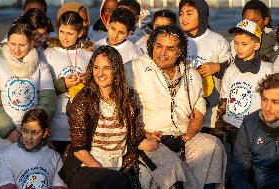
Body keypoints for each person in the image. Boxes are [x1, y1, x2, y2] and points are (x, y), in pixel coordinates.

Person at [125, 25, 226, 189]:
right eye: (159, 46)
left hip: (183, 138)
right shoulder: (134, 68)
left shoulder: (191, 74)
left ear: (180, 51)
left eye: (170, 48)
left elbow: (199, 103)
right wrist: (141, 133)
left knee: (213, 145)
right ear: (152, 46)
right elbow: (117, 99)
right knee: (170, 165)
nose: (162, 53)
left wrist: (195, 124)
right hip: (152, 139)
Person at [58, 45, 155, 189]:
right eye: (96, 67)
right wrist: (101, 170)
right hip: (86, 167)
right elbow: (79, 148)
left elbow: (136, 138)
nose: (100, 73)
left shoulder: (128, 97)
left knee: (162, 165)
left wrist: (154, 143)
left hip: (119, 167)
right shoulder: (83, 99)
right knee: (113, 182)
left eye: (107, 68)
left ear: (116, 70)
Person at [0, 23, 56, 182]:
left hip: (33, 136)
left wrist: (37, 130)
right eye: (12, 44)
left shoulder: (41, 66)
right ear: (7, 42)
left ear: (31, 43)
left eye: (22, 45)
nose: (16, 49)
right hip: (4, 139)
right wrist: (9, 130)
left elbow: (47, 100)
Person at [44, 11, 93, 156]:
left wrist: (88, 82)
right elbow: (42, 89)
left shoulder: (88, 54)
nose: (65, 37)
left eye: (70, 33)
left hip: (81, 127)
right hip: (56, 127)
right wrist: (62, 84)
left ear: (79, 33)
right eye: (61, 31)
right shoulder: (49, 54)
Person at [179, 0, 232, 134]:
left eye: (189, 13)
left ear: (202, 15)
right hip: (183, 113)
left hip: (211, 113)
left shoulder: (218, 40)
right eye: (181, 13)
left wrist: (218, 67)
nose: (183, 18)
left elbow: (233, 70)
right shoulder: (177, 40)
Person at [216, 19, 274, 142]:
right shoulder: (231, 70)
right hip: (233, 127)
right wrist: (220, 124)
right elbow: (224, 99)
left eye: (244, 44)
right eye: (236, 43)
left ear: (257, 45)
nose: (238, 48)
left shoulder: (267, 69)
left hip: (257, 128)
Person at [230, 73, 279, 189]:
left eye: (275, 102)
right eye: (264, 99)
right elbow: (238, 170)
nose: (267, 107)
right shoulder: (250, 124)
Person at [0, 108, 66, 189]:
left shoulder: (55, 157)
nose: (29, 137)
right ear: (21, 129)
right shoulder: (6, 155)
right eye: (25, 131)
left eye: (34, 132)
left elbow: (58, 186)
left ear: (44, 133)